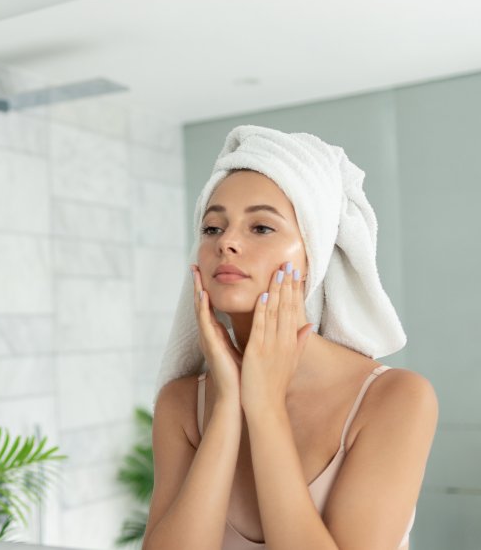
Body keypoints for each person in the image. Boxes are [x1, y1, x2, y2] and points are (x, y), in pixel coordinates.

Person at [143, 126, 438, 550]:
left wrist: (263, 407)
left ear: (312, 253)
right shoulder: (182, 405)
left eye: (261, 228)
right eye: (211, 228)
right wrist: (228, 405)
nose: (226, 242)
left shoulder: (394, 398)